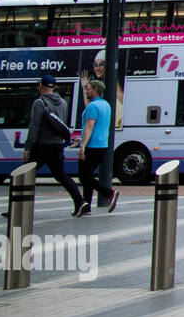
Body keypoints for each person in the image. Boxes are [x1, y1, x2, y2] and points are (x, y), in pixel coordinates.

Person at [24, 75, 88, 217]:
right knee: (61, 175)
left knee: (24, 175)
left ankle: (18, 208)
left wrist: (28, 147)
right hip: (57, 146)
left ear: (41, 86)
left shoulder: (39, 103)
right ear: (54, 87)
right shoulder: (63, 103)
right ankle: (80, 202)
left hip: (41, 146)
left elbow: (34, 127)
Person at [78, 79, 119, 214]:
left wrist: (83, 146)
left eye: (88, 88)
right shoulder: (105, 105)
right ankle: (86, 206)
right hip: (102, 145)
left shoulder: (93, 107)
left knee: (84, 177)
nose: (86, 90)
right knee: (87, 176)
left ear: (95, 89)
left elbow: (89, 126)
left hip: (91, 145)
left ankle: (109, 194)